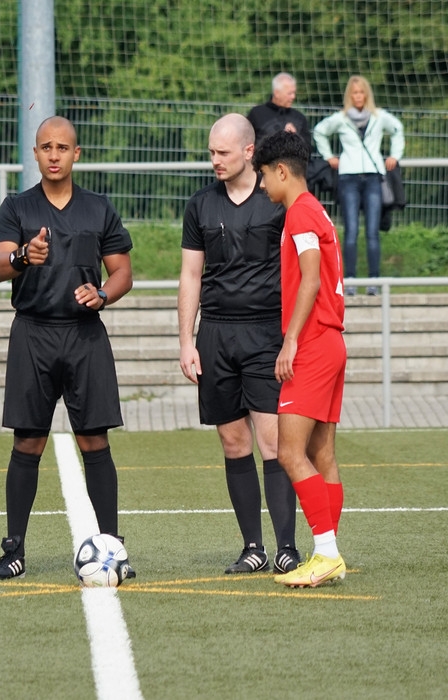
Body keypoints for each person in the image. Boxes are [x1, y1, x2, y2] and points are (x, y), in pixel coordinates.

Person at [0, 115, 136, 581]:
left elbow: (123, 272)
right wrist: (22, 256)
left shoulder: (98, 208)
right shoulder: (17, 207)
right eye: (46, 147)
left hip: (84, 335)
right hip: (32, 333)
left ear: (76, 154)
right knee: (27, 441)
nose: (54, 155)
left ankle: (112, 548)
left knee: (95, 440)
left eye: (62, 147)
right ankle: (13, 551)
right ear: (35, 153)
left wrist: (102, 294)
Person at [178, 114, 300, 576]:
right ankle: (253, 547)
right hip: (215, 335)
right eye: (211, 152)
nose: (215, 160)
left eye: (223, 152)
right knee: (233, 442)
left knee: (273, 441)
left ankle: (286, 547)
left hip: (266, 334)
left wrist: (293, 338)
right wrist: (186, 341)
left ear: (249, 151)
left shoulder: (277, 201)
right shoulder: (200, 205)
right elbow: (191, 275)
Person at [253, 130, 348, 588]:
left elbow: (310, 279)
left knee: (289, 452)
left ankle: (326, 553)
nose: (261, 185)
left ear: (282, 171)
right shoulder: (316, 211)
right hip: (331, 341)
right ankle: (329, 554)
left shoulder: (300, 213)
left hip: (312, 343)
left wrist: (290, 341)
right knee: (321, 453)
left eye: (264, 176)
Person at [313, 75, 404, 296]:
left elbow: (397, 129)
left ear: (367, 94)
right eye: (354, 93)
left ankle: (374, 280)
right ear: (349, 95)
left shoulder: (379, 116)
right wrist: (329, 156)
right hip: (348, 177)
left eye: (361, 92)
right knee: (351, 230)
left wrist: (394, 155)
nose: (358, 96)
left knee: (372, 231)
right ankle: (350, 280)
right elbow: (319, 131)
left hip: (373, 177)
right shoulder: (341, 118)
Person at [247, 72, 311, 148]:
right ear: (276, 93)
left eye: (294, 93)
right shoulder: (257, 114)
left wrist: (295, 137)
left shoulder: (299, 118)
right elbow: (247, 141)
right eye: (289, 93)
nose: (293, 97)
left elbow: (308, 147)